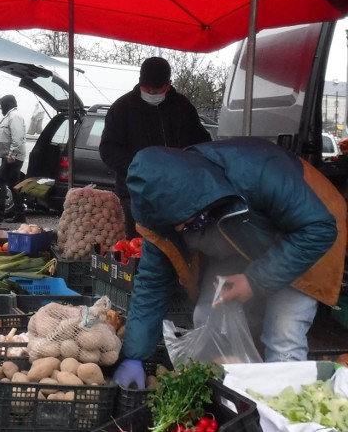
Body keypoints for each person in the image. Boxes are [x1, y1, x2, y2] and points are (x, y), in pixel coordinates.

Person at [113, 138, 346, 390]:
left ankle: (281, 417)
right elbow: (152, 284)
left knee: (283, 333)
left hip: (308, 231)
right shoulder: (161, 216)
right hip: (245, 238)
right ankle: (226, 402)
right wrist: (134, 355)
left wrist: (256, 280)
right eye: (179, 228)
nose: (187, 231)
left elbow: (318, 229)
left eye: (194, 223)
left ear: (204, 199)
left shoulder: (260, 172)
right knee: (205, 314)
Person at [99, 57, 211, 238]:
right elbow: (108, 149)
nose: (151, 92)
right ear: (140, 83)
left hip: (176, 194)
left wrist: (188, 168)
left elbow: (201, 142)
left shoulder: (182, 107)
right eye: (147, 88)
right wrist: (139, 169)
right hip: (135, 194)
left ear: (168, 85)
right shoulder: (122, 108)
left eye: (157, 89)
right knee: (138, 246)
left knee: (173, 245)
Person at [0, 94, 26, 223]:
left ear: (7, 105)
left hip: (13, 157)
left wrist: (11, 155)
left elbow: (17, 137)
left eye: (1, 106)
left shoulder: (15, 117)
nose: (0, 108)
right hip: (10, 156)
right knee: (13, 185)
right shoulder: (10, 116)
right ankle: (20, 214)